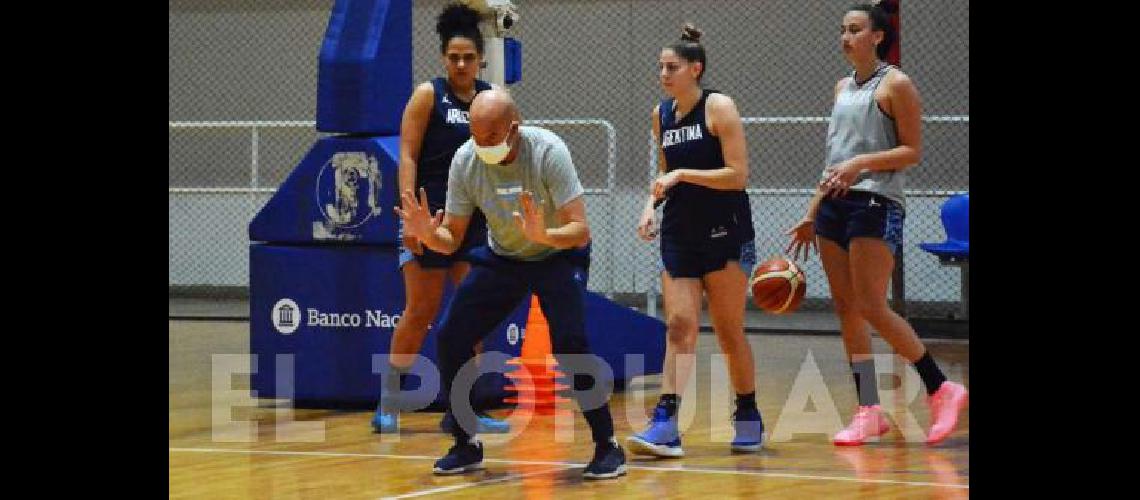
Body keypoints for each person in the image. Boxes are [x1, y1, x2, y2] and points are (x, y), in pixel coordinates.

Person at [396, 89, 627, 479]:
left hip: (557, 254)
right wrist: (428, 236)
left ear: (513, 129)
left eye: (489, 138)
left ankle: (608, 446)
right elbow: (452, 237)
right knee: (452, 334)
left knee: (570, 346)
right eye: (473, 135)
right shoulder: (466, 159)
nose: (479, 144)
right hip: (504, 257)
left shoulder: (548, 151)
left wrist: (544, 235)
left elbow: (580, 229)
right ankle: (465, 443)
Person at [785, 3, 967, 446]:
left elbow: (912, 151)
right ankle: (869, 408)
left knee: (871, 305)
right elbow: (834, 161)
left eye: (855, 29)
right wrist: (811, 212)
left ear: (878, 37)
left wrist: (861, 163)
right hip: (834, 203)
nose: (846, 37)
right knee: (847, 309)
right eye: (842, 30)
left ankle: (941, 387)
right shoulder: (841, 88)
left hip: (876, 202)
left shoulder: (896, 84)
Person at [627, 23, 764, 458]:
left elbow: (737, 175)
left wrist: (682, 174)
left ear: (695, 69)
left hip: (725, 230)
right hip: (680, 232)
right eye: (661, 67)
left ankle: (748, 413)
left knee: (727, 331)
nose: (664, 74)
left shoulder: (718, 107)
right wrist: (651, 206)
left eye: (672, 67)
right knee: (679, 326)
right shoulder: (661, 115)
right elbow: (667, 178)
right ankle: (665, 422)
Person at [372, 2, 508, 435]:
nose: (462, 64)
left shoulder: (490, 99)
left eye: (469, 57)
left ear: (481, 59)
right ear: (444, 59)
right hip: (429, 217)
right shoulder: (428, 95)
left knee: (470, 313)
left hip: (475, 220)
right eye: (454, 57)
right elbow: (407, 154)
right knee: (421, 310)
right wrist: (412, 215)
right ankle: (388, 403)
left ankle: (463, 412)